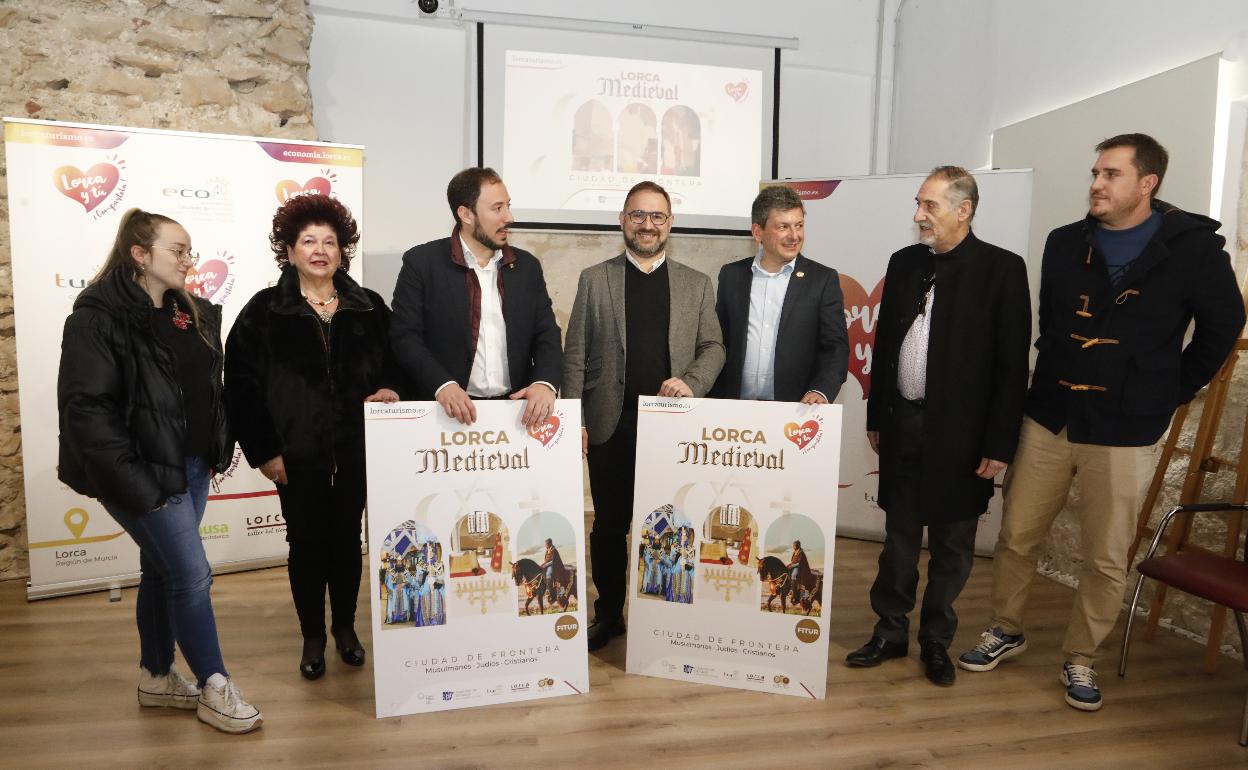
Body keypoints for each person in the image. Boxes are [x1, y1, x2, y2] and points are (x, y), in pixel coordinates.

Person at [957, 134, 1245, 711]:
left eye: (1111, 173)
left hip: (1125, 424)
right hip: (1052, 415)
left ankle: (1081, 657)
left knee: (1107, 554)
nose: (1096, 183)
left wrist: (1170, 392)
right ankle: (1006, 628)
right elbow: (1051, 327)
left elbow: (1223, 327)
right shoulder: (1066, 243)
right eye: (1095, 172)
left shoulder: (1192, 250)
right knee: (1016, 535)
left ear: (1147, 184)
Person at [57, 208, 261, 734]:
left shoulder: (184, 312)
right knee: (192, 575)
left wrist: (215, 447)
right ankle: (215, 686)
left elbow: (201, 392)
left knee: (161, 569)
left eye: (190, 251)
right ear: (140, 255)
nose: (189, 261)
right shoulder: (97, 317)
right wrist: (140, 488)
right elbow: (88, 414)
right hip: (141, 474)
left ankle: (156, 674)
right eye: (179, 250)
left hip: (190, 466)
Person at [847, 166, 1031, 687]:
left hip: (965, 437)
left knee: (952, 543)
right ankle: (889, 631)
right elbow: (884, 347)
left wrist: (1000, 442)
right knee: (899, 537)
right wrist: (878, 412)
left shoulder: (1001, 270)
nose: (918, 215)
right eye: (918, 204)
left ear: (963, 210)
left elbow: (1011, 367)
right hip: (903, 423)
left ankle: (935, 640)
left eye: (929, 206)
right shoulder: (905, 263)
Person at [225, 194, 403, 681]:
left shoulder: (370, 309)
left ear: (343, 250)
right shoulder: (264, 312)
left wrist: (391, 387)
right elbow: (240, 388)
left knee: (348, 542)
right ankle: (312, 635)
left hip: (357, 451)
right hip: (295, 456)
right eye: (308, 241)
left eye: (330, 241)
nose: (320, 249)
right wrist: (265, 451)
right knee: (305, 545)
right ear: (289, 249)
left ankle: (345, 628)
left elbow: (398, 365)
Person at [562, 180, 726, 650]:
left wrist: (691, 383)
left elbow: (713, 346)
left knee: (668, 525)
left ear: (669, 224)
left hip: (670, 429)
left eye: (657, 216)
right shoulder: (595, 279)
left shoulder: (697, 284)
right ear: (623, 221)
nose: (647, 224)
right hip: (610, 424)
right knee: (611, 524)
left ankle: (662, 620)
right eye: (638, 215)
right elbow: (575, 353)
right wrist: (575, 419)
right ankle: (608, 614)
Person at [390, 167, 562, 428]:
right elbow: (405, 337)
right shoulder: (422, 263)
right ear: (466, 214)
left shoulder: (526, 266)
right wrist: (443, 385)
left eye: (508, 206)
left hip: (515, 414)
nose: (509, 217)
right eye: (497, 208)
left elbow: (547, 333)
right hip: (445, 416)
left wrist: (544, 382)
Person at [714, 185, 849, 403]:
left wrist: (820, 390)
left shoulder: (822, 280)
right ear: (758, 232)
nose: (794, 236)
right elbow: (718, 342)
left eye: (799, 225)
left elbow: (835, 348)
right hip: (735, 411)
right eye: (783, 227)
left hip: (795, 411)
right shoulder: (731, 276)